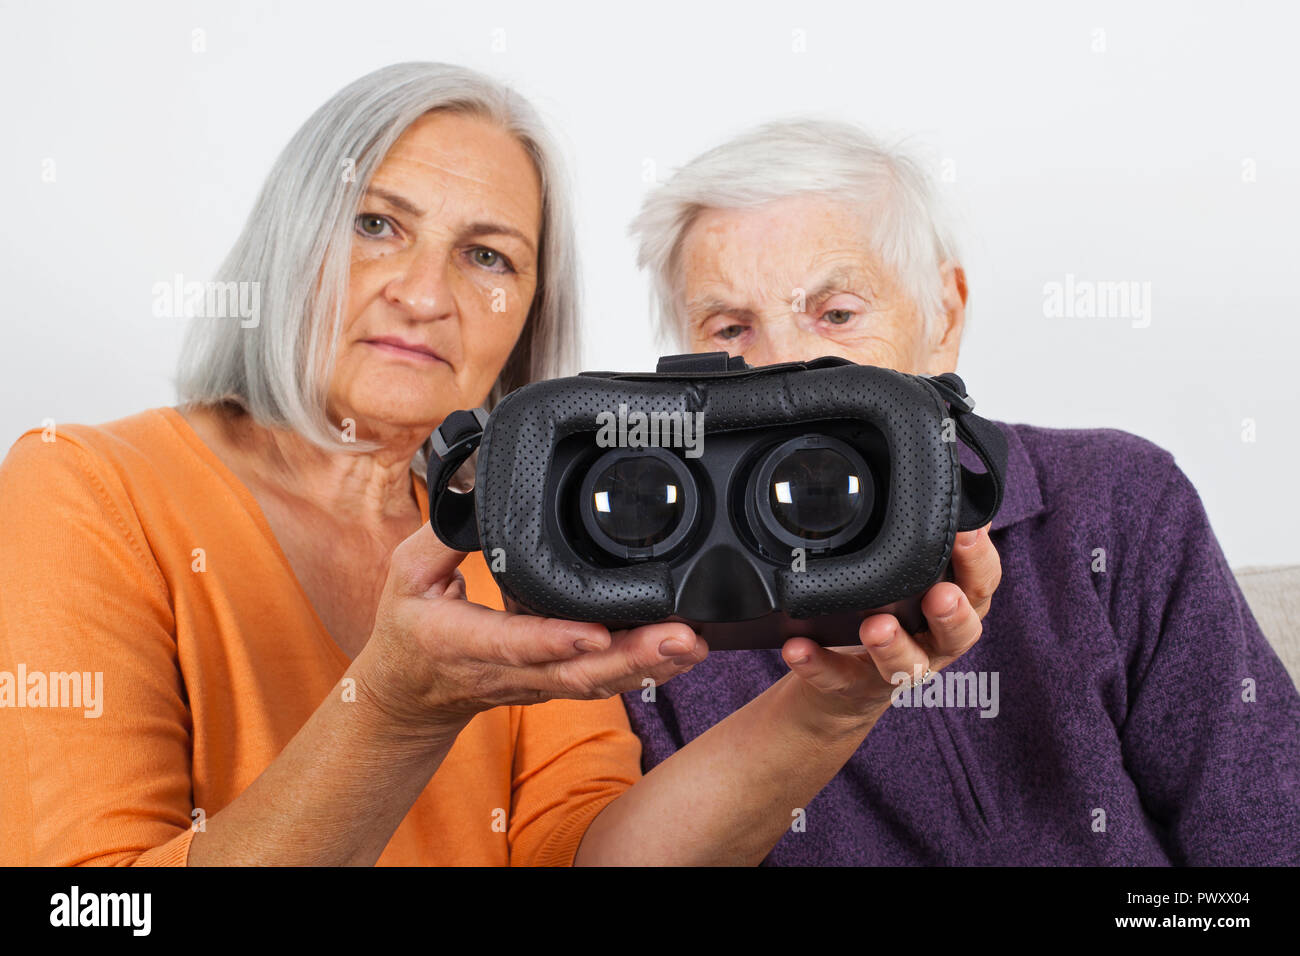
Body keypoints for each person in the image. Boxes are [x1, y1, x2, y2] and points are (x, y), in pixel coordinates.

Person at [0, 67, 995, 867]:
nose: (425, 293)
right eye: (377, 223)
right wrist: (395, 707)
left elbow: (590, 860)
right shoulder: (84, 486)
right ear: (288, 243)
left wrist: (833, 698)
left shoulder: (527, 541)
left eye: (488, 256)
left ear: (528, 315)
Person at [622, 118, 1300, 865]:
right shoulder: (653, 615)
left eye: (837, 314)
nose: (785, 371)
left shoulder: (1120, 502)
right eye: (729, 331)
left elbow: (1262, 844)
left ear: (944, 314)